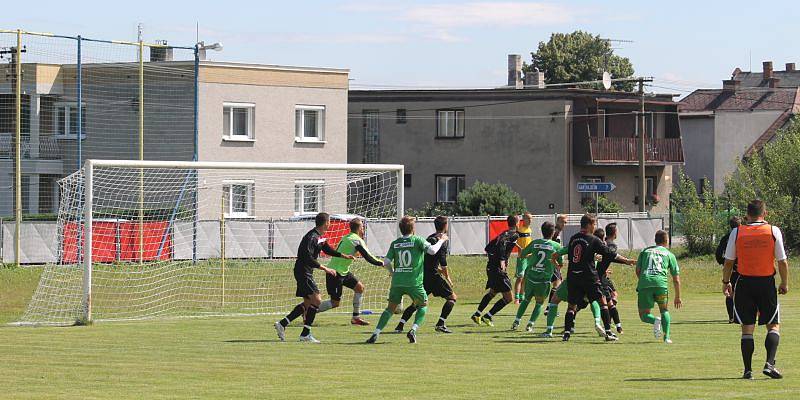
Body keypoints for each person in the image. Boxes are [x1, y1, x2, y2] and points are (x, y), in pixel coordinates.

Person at [723, 200, 789, 379]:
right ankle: (769, 363)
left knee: (747, 328)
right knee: (773, 325)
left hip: (744, 283)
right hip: (766, 282)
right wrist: (784, 282)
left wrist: (726, 282)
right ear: (765, 213)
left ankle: (747, 370)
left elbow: (729, 261)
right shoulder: (773, 231)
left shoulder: (737, 232)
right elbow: (782, 261)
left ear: (747, 214)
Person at [274, 212, 354, 343]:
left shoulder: (320, 237)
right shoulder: (311, 237)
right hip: (303, 272)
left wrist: (343, 255)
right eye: (329, 222)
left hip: (306, 272)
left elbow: (327, 249)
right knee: (316, 300)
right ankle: (305, 334)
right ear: (326, 223)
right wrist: (325, 268)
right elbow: (307, 257)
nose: (330, 224)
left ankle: (282, 324)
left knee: (307, 303)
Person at [553, 214, 635, 342]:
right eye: (594, 224)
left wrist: (558, 264)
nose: (595, 226)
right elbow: (610, 254)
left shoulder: (573, 239)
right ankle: (608, 332)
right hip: (588, 276)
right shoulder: (593, 239)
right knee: (602, 301)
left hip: (573, 276)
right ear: (590, 224)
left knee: (571, 306)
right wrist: (626, 261)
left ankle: (567, 334)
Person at [366, 216, 448, 344]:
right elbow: (432, 251)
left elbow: (386, 262)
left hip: (397, 282)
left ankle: (376, 333)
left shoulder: (395, 243)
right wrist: (441, 240)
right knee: (423, 305)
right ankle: (413, 330)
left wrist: (392, 272)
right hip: (413, 282)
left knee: (390, 309)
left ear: (401, 229)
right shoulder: (417, 240)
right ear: (413, 228)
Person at [395, 216, 457, 334]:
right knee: (452, 298)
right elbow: (443, 263)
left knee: (418, 302)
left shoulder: (429, 238)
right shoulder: (442, 240)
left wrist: (438, 269)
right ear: (445, 226)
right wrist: (447, 277)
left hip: (424, 275)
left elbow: (427, 259)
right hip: (433, 276)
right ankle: (440, 324)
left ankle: (400, 325)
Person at [317, 217, 385, 326]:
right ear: (359, 229)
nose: (363, 230)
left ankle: (355, 318)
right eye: (362, 227)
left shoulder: (348, 237)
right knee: (335, 303)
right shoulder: (355, 239)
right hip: (335, 273)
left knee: (359, 288)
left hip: (343, 272)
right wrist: (382, 263)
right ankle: (308, 310)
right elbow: (368, 257)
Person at [512, 221, 562, 333]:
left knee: (525, 300)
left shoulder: (534, 243)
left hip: (530, 277)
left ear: (541, 231)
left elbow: (522, 255)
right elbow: (560, 264)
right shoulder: (556, 246)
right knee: (539, 303)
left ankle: (516, 321)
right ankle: (530, 325)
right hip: (543, 281)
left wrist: (532, 256)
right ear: (553, 233)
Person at [471, 215, 520, 327]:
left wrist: (493, 258)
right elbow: (502, 243)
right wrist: (502, 260)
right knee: (509, 298)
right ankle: (487, 316)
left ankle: (477, 314)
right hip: (498, 270)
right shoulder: (514, 235)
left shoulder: (504, 233)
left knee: (493, 292)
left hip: (491, 267)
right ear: (517, 223)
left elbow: (488, 247)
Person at [636, 230, 682, 344]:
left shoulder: (645, 251)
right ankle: (667, 337)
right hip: (661, 285)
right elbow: (676, 279)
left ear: (655, 240)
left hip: (645, 283)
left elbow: (638, 271)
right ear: (666, 241)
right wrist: (678, 297)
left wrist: (644, 281)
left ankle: (656, 321)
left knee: (644, 315)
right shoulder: (669, 254)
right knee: (664, 310)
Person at [596, 223, 625, 334]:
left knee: (613, 296)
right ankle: (615, 326)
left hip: (602, 274)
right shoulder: (611, 245)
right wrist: (626, 261)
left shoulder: (602, 243)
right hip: (600, 276)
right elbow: (611, 257)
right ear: (614, 232)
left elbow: (602, 259)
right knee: (607, 301)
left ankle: (612, 322)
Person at [717, 216, 742, 323]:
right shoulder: (744, 236)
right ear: (740, 225)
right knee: (743, 293)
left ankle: (731, 317)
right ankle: (741, 316)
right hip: (743, 269)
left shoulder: (726, 237)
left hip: (730, 270)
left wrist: (724, 262)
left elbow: (718, 254)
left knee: (729, 292)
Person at [544, 214, 568, 316]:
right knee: (557, 284)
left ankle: (550, 307)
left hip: (552, 261)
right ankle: (550, 307)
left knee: (556, 284)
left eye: (565, 222)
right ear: (557, 221)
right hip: (553, 262)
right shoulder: (555, 232)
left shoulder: (557, 233)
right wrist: (558, 262)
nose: (564, 224)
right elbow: (552, 247)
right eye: (563, 222)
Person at [513, 213, 534, 304]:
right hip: (522, 257)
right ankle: (516, 298)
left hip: (529, 256)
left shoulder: (529, 230)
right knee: (520, 277)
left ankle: (522, 296)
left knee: (526, 277)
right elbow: (514, 241)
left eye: (531, 219)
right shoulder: (519, 230)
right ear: (524, 219)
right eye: (528, 219)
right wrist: (520, 248)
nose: (530, 220)